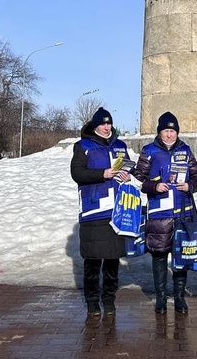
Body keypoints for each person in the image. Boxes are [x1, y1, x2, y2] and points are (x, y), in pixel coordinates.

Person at [134, 111, 197, 314]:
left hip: (183, 212)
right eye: (166, 131)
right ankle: (161, 297)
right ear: (159, 132)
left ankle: (180, 297)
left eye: (172, 131)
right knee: (159, 255)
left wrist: (190, 185)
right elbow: (139, 176)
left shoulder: (185, 150)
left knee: (181, 255)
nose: (169, 135)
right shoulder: (149, 150)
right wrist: (154, 186)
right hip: (160, 213)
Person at [70, 107, 132, 316]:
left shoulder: (120, 146)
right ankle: (92, 300)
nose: (107, 127)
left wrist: (126, 176)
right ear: (95, 125)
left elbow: (127, 169)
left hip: (117, 211)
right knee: (94, 259)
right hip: (94, 211)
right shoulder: (83, 146)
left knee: (113, 258)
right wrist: (102, 173)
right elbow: (77, 173)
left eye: (109, 124)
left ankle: (109, 297)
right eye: (103, 124)